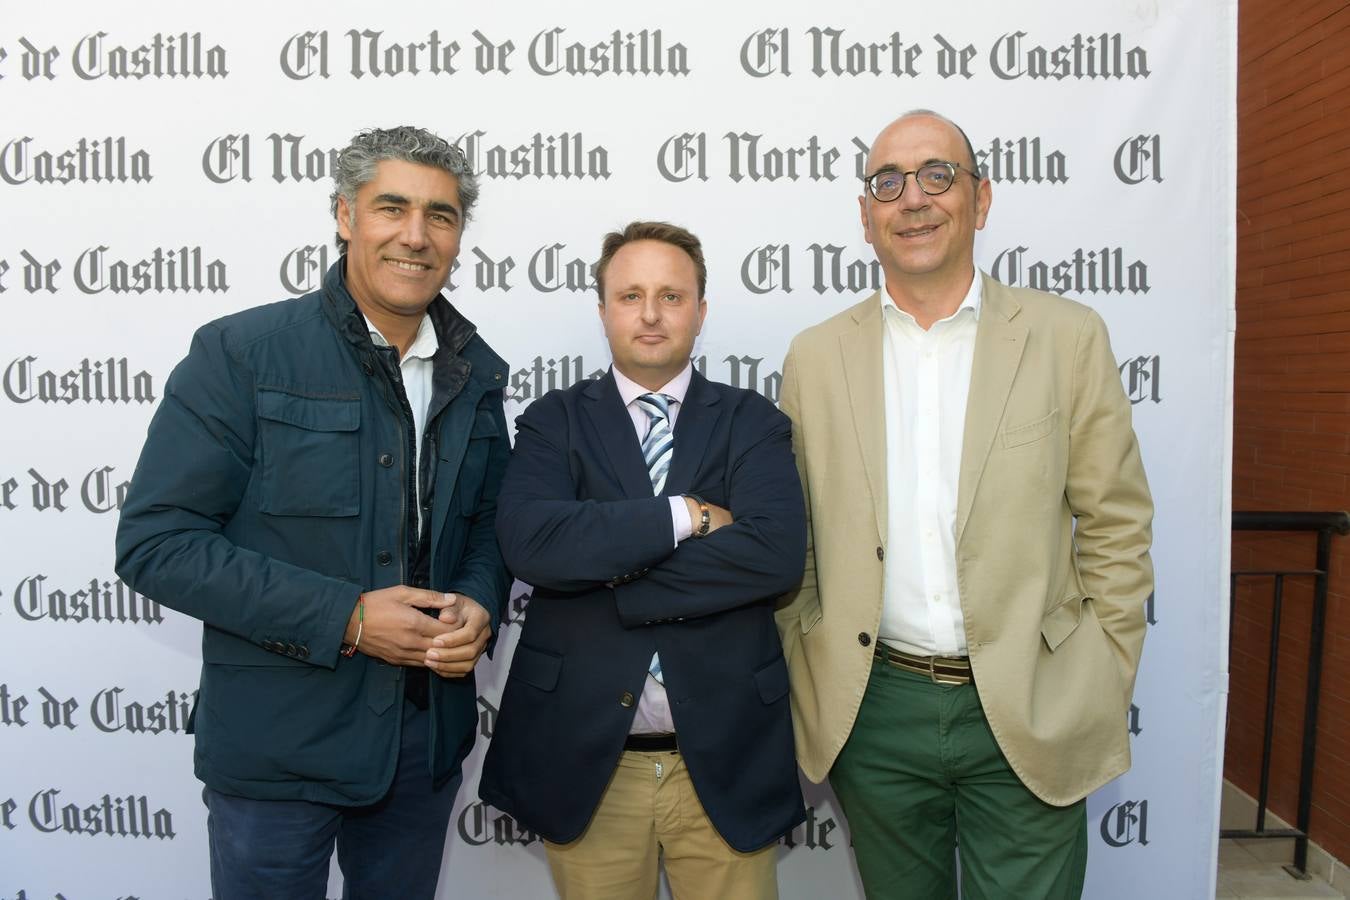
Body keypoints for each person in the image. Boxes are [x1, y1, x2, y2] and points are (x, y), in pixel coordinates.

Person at [114, 125, 511, 900]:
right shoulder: (243, 352)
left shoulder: (479, 372)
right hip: (277, 751)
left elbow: (489, 526)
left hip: (422, 745)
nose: (415, 235)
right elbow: (156, 544)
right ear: (343, 215)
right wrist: (349, 617)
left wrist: (479, 602)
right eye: (391, 207)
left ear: (460, 235)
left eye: (441, 215)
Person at [776, 110, 1155, 899]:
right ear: (865, 216)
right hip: (874, 713)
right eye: (889, 181)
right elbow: (796, 539)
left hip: (1031, 700)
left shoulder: (1067, 337)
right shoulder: (815, 358)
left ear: (981, 200)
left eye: (937, 175)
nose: (913, 198)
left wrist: (1103, 670)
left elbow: (1116, 523)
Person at [480, 221, 806, 900]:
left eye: (671, 296)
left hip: (723, 757)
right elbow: (533, 545)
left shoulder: (753, 422)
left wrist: (608, 579)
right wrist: (687, 515)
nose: (651, 314)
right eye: (630, 296)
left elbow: (774, 558)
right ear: (602, 310)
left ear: (701, 311)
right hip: (586, 760)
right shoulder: (553, 421)